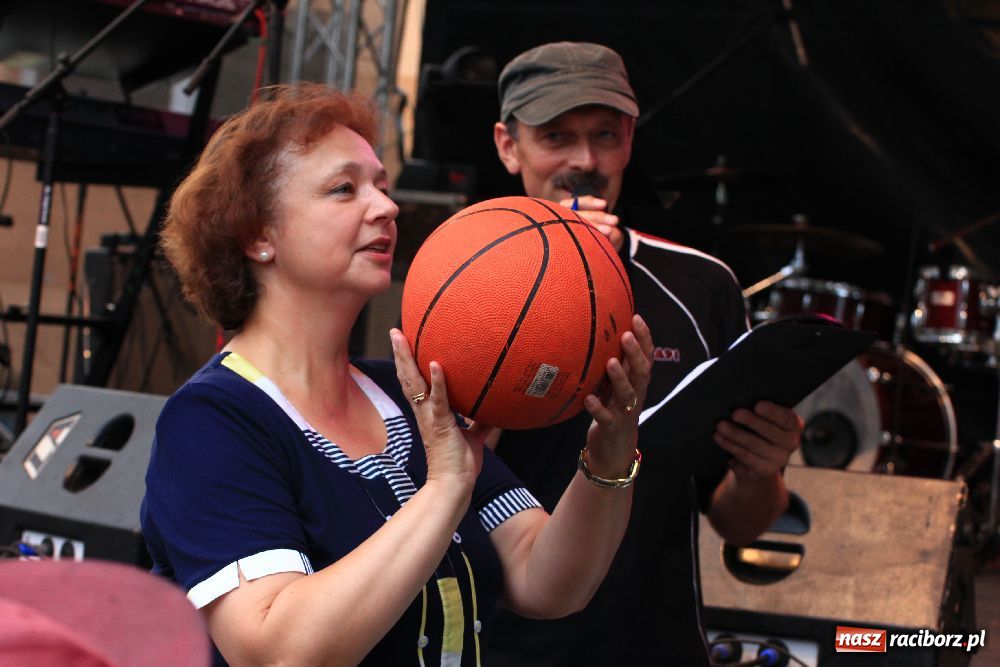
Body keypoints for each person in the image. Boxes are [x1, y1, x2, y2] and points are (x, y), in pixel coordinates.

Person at [139, 82, 654, 667]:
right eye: (343, 190)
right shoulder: (213, 420)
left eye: (382, 187)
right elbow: (277, 651)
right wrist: (442, 490)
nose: (387, 207)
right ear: (257, 235)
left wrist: (611, 456)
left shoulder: (406, 393)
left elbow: (548, 584)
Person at [486, 42, 805, 666]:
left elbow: (739, 523)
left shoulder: (701, 284)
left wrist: (761, 470)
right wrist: (550, 268)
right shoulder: (462, 285)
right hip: (500, 646)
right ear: (507, 145)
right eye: (556, 135)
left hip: (654, 645)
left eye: (605, 134)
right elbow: (431, 482)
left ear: (631, 140)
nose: (585, 160)